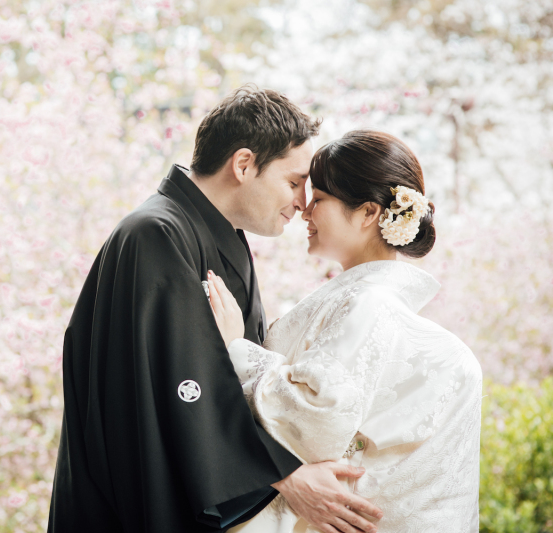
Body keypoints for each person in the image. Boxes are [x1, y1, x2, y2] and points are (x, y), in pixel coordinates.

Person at [48, 87, 384, 533]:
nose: (303, 202)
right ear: (243, 165)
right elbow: (180, 386)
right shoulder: (154, 235)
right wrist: (285, 474)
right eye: (293, 182)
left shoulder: (214, 238)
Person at [207, 130, 482, 533]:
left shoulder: (368, 302)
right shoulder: (375, 302)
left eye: (318, 200)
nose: (303, 211)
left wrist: (235, 348)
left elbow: (318, 415)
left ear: (369, 213)